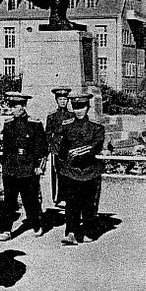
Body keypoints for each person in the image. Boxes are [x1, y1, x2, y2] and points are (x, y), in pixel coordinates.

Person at [55, 93, 105, 245]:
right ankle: (71, 232)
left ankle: (89, 230)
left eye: (82, 107)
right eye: (76, 107)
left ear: (88, 107)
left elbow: (95, 148)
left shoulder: (97, 128)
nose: (79, 111)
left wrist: (77, 152)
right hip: (71, 171)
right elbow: (62, 149)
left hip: (89, 171)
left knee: (89, 204)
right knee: (71, 204)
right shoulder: (66, 127)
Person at [0, 92, 47, 241]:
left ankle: (36, 224)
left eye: (16, 106)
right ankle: (7, 229)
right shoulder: (8, 124)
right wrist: (5, 166)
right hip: (11, 168)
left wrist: (39, 166)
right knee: (9, 202)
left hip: (28, 168)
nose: (13, 109)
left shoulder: (34, 124)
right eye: (11, 106)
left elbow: (42, 148)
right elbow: (6, 148)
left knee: (30, 200)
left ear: (24, 106)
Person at [45, 87, 73, 206]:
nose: (63, 101)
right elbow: (48, 134)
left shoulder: (72, 115)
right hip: (57, 148)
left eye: (65, 99)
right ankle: (58, 197)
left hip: (69, 148)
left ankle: (69, 197)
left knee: (69, 172)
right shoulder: (52, 116)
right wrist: (51, 146)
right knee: (58, 172)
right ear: (56, 100)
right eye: (60, 99)